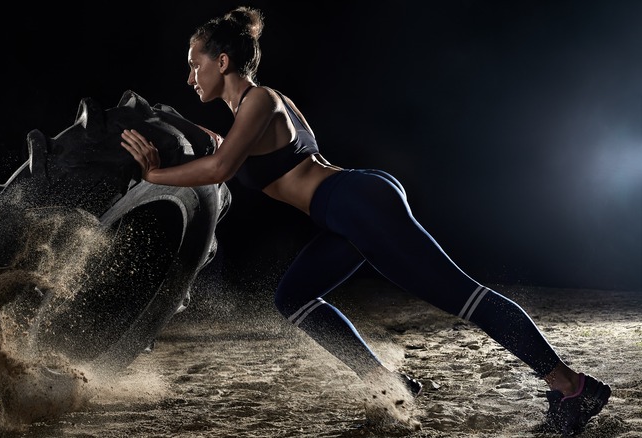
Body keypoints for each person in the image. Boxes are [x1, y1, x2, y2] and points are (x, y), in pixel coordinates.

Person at [120, 6, 611, 435]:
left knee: (464, 298)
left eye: (195, 65)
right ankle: (389, 382)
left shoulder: (261, 100)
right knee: (293, 298)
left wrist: (157, 174)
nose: (190, 78)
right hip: (346, 211)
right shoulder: (251, 113)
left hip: (355, 203)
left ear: (221, 61)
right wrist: (174, 131)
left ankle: (572, 387)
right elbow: (228, 150)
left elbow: (223, 167)